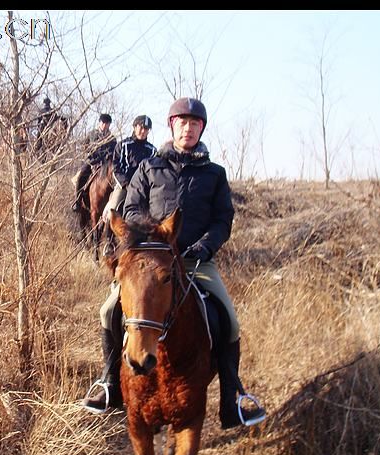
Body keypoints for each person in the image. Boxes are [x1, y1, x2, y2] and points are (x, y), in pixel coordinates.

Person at [80, 97, 267, 430]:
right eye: (182, 122)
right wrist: (157, 236)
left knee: (229, 320)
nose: (188, 128)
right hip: (150, 262)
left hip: (196, 261)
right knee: (108, 310)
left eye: (195, 124)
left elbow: (223, 219)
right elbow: (132, 209)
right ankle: (109, 382)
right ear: (172, 126)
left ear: (201, 129)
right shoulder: (150, 167)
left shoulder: (215, 174)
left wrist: (204, 246)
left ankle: (232, 398)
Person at [104, 115, 157, 220]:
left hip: (145, 187)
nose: (143, 131)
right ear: (134, 127)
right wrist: (126, 184)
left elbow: (154, 172)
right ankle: (107, 232)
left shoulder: (152, 150)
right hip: (125, 185)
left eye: (146, 129)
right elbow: (116, 166)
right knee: (112, 211)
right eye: (141, 127)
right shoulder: (123, 145)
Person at [71, 113, 117, 212]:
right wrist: (91, 152)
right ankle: (77, 201)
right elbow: (84, 145)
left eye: (107, 123)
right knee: (82, 175)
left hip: (105, 164)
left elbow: (115, 153)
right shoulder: (92, 134)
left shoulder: (112, 138)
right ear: (99, 123)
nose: (104, 125)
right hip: (92, 162)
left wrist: (108, 156)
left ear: (109, 125)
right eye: (103, 123)